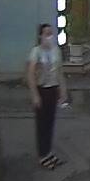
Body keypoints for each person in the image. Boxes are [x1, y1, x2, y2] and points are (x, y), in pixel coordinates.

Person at [27, 24, 67, 170]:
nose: (49, 36)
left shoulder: (56, 51)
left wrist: (63, 91)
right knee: (41, 124)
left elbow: (60, 72)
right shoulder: (36, 52)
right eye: (46, 34)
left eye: (51, 33)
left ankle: (49, 152)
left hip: (52, 89)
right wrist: (35, 95)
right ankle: (42, 155)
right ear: (40, 36)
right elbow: (31, 74)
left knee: (50, 122)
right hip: (41, 89)